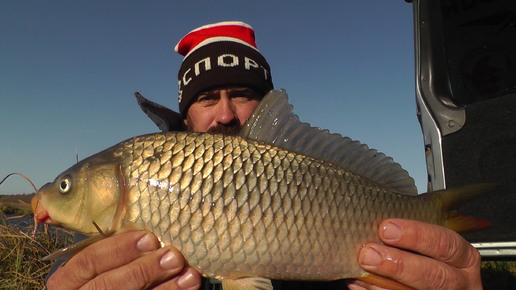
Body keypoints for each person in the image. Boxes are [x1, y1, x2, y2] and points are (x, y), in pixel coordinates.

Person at [46, 21, 483, 290]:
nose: (224, 114)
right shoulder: (140, 176)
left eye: (242, 94)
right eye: (205, 99)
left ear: (266, 103)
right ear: (184, 113)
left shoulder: (304, 164)